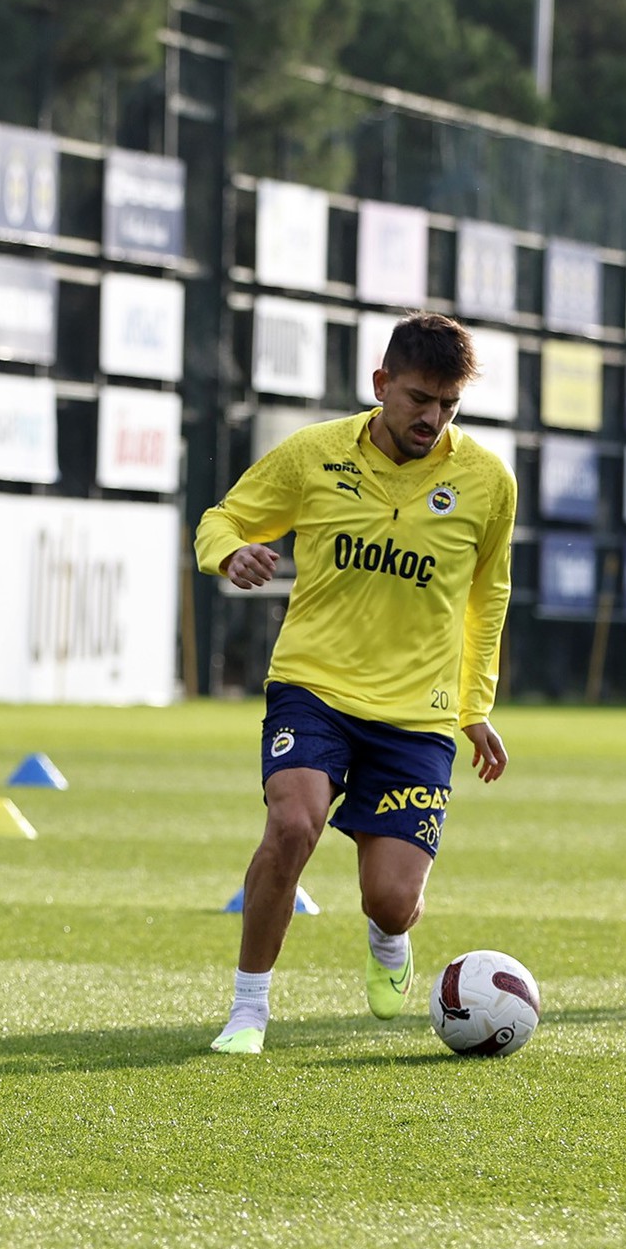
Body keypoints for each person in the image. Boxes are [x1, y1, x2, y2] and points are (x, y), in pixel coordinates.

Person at [195, 312, 514, 1053]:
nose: (432, 418)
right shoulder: (313, 455)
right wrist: (231, 554)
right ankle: (248, 1009)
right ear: (380, 384)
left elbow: (487, 598)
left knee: (394, 899)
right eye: (418, 399)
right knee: (292, 825)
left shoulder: (488, 482)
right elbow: (222, 518)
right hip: (314, 687)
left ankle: (388, 937)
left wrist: (474, 707)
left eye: (448, 404)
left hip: (418, 713)